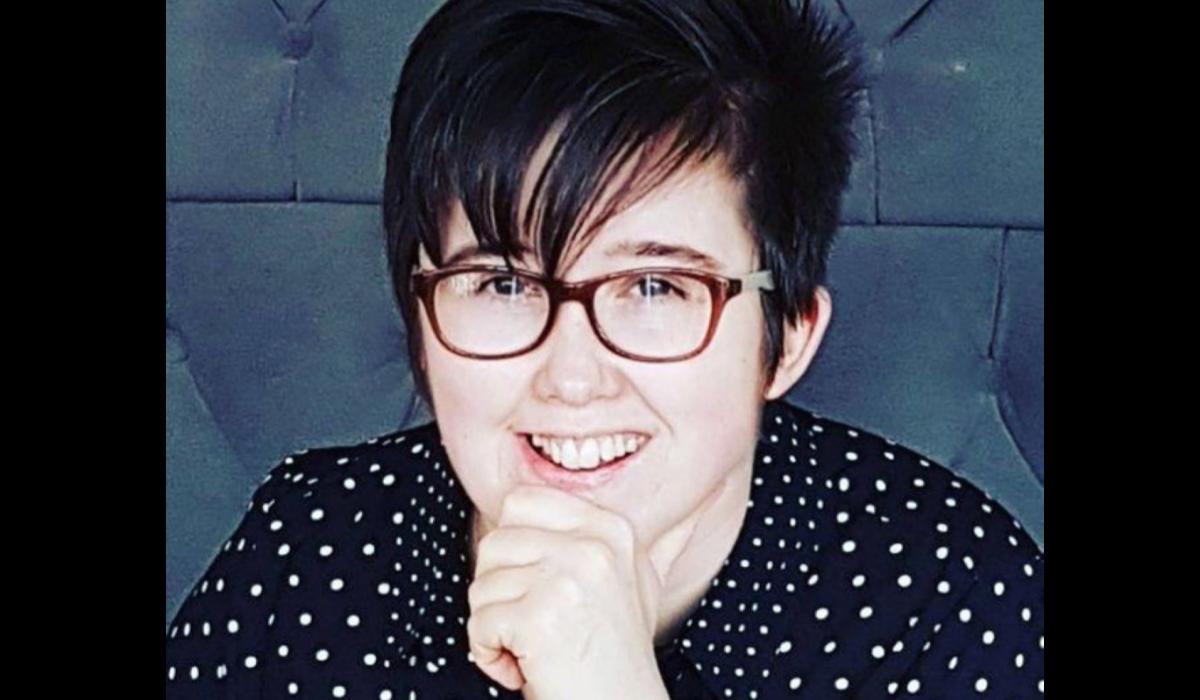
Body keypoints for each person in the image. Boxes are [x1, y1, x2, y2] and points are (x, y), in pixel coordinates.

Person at [166, 0, 1044, 697]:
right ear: (419, 315)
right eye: (503, 284)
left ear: (788, 341)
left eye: (656, 288)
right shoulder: (306, 550)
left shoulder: (955, 598)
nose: (572, 378)